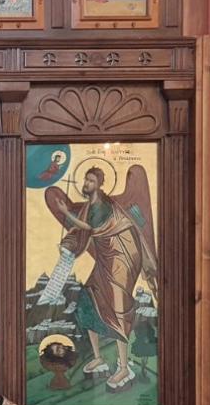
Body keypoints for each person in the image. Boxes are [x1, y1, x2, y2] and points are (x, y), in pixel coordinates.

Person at [42, 164, 158, 392]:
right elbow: (81, 233)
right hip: (106, 258)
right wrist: (68, 245)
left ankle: (123, 367)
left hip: (122, 256)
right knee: (87, 301)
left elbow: (89, 227)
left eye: (91, 181)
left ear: (100, 184)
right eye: (86, 180)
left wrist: (66, 212)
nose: (86, 184)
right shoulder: (88, 206)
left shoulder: (103, 205)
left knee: (118, 308)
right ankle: (98, 358)